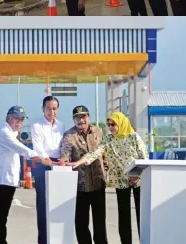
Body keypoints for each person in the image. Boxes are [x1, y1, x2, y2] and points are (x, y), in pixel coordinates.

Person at [69, 112, 148, 244]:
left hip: (137, 180)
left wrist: (137, 175)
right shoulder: (109, 139)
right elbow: (96, 152)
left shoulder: (134, 137)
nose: (111, 127)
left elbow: (144, 158)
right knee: (124, 217)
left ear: (121, 123)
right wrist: (80, 162)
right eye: (109, 125)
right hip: (120, 182)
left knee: (141, 216)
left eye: (113, 124)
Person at [0, 106, 44, 244]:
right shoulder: (5, 134)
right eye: (16, 118)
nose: (19, 122)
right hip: (0, 182)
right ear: (8, 118)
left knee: (1, 219)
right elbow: (22, 149)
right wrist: (41, 158)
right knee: (0, 219)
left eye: (22, 119)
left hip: (7, 182)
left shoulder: (12, 133)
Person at [59, 106, 108, 244]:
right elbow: (65, 152)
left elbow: (105, 153)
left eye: (84, 116)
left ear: (89, 117)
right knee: (81, 223)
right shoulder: (69, 135)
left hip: (98, 183)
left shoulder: (98, 131)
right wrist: (64, 159)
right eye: (77, 117)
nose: (81, 120)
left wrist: (106, 169)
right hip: (80, 186)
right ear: (73, 120)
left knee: (100, 222)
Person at [31, 96, 65, 244]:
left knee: (59, 205)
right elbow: (38, 147)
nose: (52, 112)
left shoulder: (61, 125)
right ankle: (43, 240)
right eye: (48, 108)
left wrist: (63, 159)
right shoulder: (37, 126)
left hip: (59, 165)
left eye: (54, 108)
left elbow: (64, 145)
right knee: (44, 206)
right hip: (43, 165)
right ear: (43, 109)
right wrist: (49, 162)